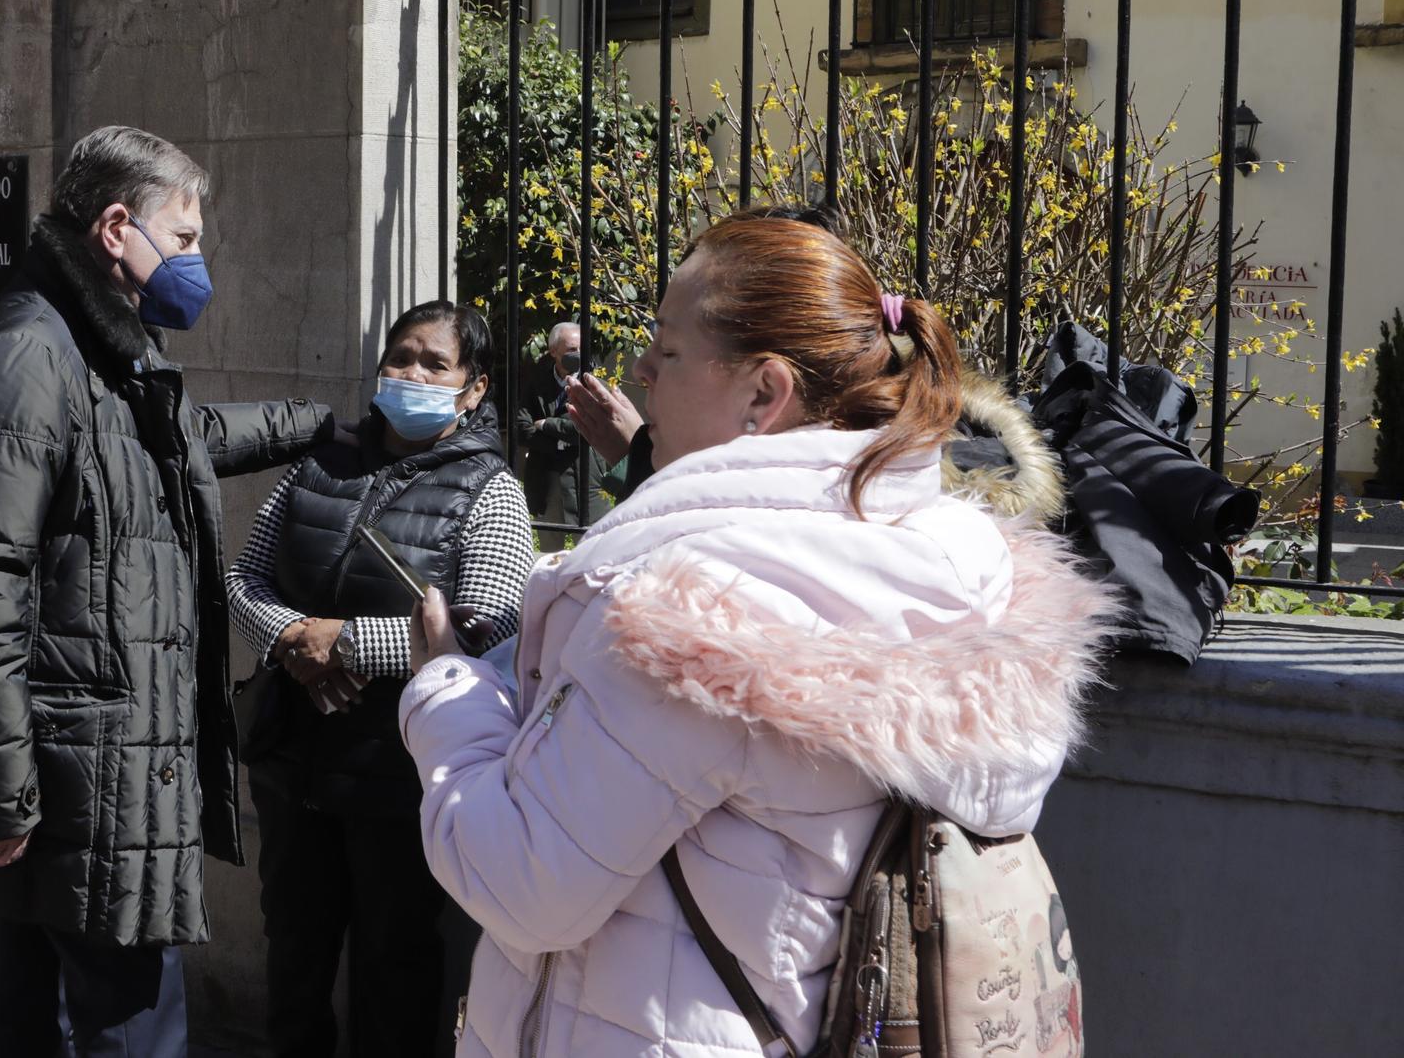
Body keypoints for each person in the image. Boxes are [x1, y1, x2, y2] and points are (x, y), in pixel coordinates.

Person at [398, 216, 1115, 1057]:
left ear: (762, 395)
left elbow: (524, 881)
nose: (639, 371)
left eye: (665, 350)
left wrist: (447, 687)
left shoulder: (700, 614)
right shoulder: (932, 559)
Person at [0, 126, 344, 1056]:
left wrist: (315, 423)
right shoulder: (28, 359)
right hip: (77, 776)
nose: (197, 261)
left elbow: (167, 443)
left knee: (31, 1010)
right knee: (131, 1022)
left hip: (87, 767)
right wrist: (0, 794)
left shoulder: (98, 351)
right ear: (113, 228)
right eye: (183, 239)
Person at [227, 300, 533, 1058]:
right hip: (297, 765)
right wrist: (294, 637)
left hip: (403, 784)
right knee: (294, 966)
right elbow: (245, 575)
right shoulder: (319, 464)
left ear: (473, 388)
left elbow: (486, 631)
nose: (412, 373)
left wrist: (350, 643)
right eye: (402, 356)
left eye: (435, 363)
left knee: (395, 979)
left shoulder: (490, 490)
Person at [517, 321, 612, 542]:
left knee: (593, 548)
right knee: (550, 549)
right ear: (553, 351)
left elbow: (585, 426)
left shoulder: (596, 382)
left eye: (580, 348)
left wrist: (547, 424)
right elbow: (521, 428)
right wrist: (560, 443)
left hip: (588, 479)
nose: (578, 353)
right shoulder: (536, 382)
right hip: (547, 481)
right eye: (571, 349)